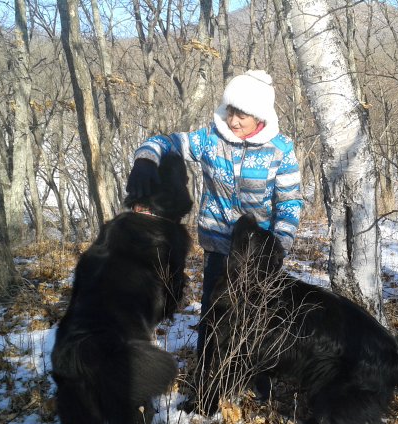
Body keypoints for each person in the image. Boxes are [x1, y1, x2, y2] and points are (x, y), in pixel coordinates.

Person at [126, 69, 303, 358]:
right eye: (231, 111)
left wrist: (279, 245)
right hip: (219, 246)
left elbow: (289, 201)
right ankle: (208, 375)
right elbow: (167, 142)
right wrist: (146, 160)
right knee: (213, 314)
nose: (233, 121)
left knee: (255, 317)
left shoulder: (279, 150)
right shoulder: (210, 139)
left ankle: (247, 373)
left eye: (242, 115)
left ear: (259, 116)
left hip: (257, 253)